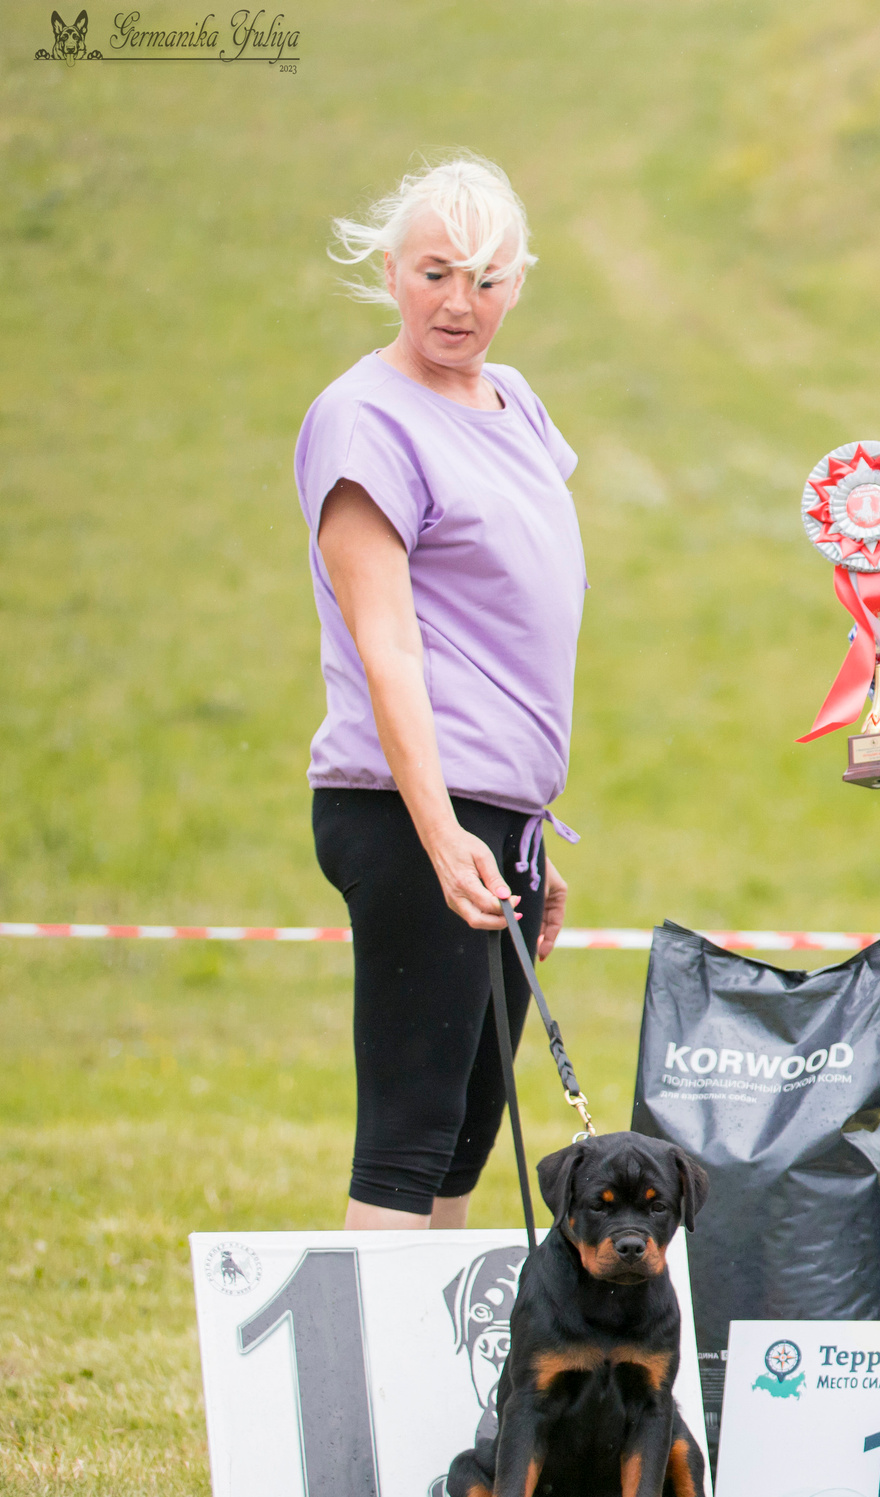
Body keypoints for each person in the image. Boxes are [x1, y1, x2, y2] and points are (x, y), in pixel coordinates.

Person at [297, 153, 583, 1231]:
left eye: (487, 276)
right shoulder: (364, 417)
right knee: (411, 1135)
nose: (460, 302)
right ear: (388, 273)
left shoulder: (516, 404)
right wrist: (439, 830)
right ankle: (376, 1401)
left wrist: (523, 834)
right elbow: (392, 648)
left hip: (496, 815)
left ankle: (440, 1392)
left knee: (470, 1129)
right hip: (408, 804)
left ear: (518, 281)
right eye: (434, 273)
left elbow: (516, 628)